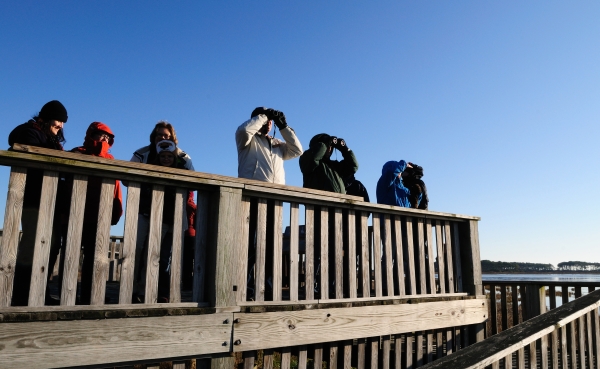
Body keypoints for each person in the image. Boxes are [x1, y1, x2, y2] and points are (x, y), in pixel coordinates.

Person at [7, 100, 69, 305]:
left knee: (52, 244)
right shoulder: (29, 133)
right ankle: (22, 291)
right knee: (34, 243)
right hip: (34, 197)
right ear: (44, 118)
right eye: (57, 120)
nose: (60, 125)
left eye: (63, 122)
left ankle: (39, 289)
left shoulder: (52, 140)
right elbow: (35, 154)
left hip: (52, 200)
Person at [133, 140, 196, 303]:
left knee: (168, 258)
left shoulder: (181, 171)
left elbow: (192, 178)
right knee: (152, 256)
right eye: (163, 156)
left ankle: (165, 292)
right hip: (158, 219)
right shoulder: (153, 171)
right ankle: (146, 290)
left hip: (175, 220)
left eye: (170, 156)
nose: (166, 159)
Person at [70, 122, 123, 304]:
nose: (105, 139)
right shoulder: (77, 152)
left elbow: (116, 187)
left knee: (95, 258)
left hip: (99, 216)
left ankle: (91, 295)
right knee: (71, 255)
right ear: (91, 134)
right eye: (102, 135)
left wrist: (116, 212)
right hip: (75, 214)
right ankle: (67, 294)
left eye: (108, 138)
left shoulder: (110, 158)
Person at [236, 107, 303, 184]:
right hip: (253, 189)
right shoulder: (247, 140)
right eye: (266, 120)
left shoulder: (277, 142)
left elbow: (297, 151)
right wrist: (265, 116)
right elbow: (244, 130)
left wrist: (283, 127)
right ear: (256, 120)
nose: (269, 122)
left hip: (277, 190)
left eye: (271, 120)